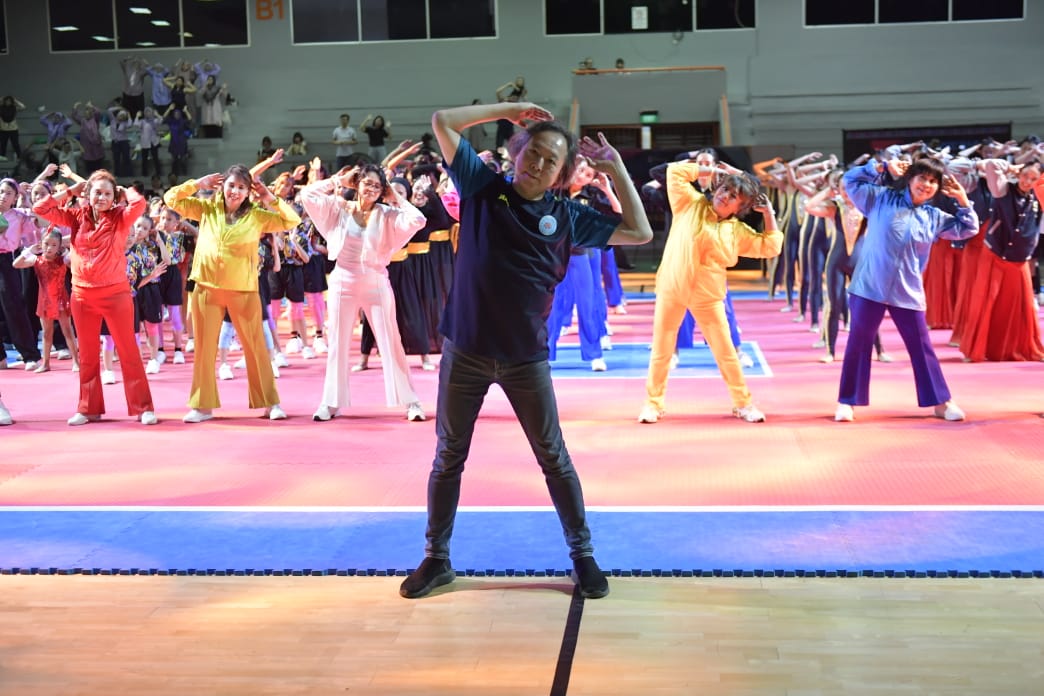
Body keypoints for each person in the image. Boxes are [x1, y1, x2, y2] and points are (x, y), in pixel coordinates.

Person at [398, 100, 653, 601]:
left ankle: (583, 556)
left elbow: (640, 232)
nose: (537, 164)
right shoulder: (481, 187)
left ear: (561, 174)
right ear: (517, 152)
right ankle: (437, 559)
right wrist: (512, 109)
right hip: (465, 350)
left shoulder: (568, 216)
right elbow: (443, 121)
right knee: (448, 457)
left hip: (525, 358)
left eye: (550, 160)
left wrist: (617, 170)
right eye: (532, 152)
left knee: (553, 457)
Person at [835, 156, 979, 423]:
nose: (926, 185)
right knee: (858, 343)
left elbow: (968, 228)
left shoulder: (934, 217)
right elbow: (850, 180)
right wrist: (880, 167)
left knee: (922, 347)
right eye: (922, 177)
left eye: (933, 181)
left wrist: (962, 200)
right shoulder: (880, 198)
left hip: (908, 291)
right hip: (869, 286)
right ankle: (847, 401)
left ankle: (940, 402)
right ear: (910, 178)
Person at [638, 161, 783, 425]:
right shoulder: (689, 203)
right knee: (661, 351)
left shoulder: (737, 231)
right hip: (672, 289)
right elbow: (675, 172)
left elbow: (770, 247)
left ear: (739, 208)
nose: (725, 196)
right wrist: (717, 172)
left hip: (708, 297)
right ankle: (653, 404)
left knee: (726, 353)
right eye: (724, 189)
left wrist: (769, 215)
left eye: (733, 196)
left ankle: (743, 404)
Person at [164, 164, 301, 423]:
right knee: (204, 349)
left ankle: (270, 403)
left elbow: (291, 220)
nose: (235, 191)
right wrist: (197, 184)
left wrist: (269, 198)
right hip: (206, 287)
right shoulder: (206, 208)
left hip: (243, 288)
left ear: (249, 191)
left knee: (256, 346)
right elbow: (171, 199)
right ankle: (202, 406)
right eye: (231, 185)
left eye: (241, 187)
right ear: (222, 186)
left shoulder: (257, 215)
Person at [299, 164, 428, 423]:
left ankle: (411, 401)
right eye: (367, 183)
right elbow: (307, 195)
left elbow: (418, 220)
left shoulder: (387, 213)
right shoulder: (339, 207)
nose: (371, 189)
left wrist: (395, 196)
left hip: (375, 281)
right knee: (337, 343)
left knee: (391, 341)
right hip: (342, 282)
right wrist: (338, 180)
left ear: (382, 191)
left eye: (377, 186)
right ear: (357, 184)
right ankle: (330, 402)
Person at [32, 170, 158, 425]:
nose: (101, 197)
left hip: (116, 294)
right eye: (97, 192)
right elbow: (40, 208)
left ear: (114, 196)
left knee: (128, 352)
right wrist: (70, 191)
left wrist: (123, 191)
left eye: (107, 193)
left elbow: (139, 204)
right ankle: (88, 408)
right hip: (82, 295)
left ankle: (143, 407)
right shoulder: (75, 216)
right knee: (88, 355)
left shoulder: (121, 217)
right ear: (87, 194)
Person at [13, 229, 80, 373]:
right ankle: (46, 363)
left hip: (61, 299)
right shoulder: (36, 260)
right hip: (44, 300)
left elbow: (76, 264)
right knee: (46, 333)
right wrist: (29, 251)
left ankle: (76, 362)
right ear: (41, 244)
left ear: (59, 246)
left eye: (54, 245)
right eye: (46, 244)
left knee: (68, 331)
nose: (49, 248)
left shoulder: (62, 260)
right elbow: (16, 264)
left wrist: (66, 252)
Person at [494, 77, 527, 150]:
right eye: (513, 97)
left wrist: (521, 93)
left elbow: (524, 96)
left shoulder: (516, 104)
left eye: (516, 97)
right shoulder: (505, 101)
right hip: (501, 126)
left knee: (513, 146)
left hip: (509, 127)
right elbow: (497, 91)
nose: (514, 98)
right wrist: (508, 85)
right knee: (499, 146)